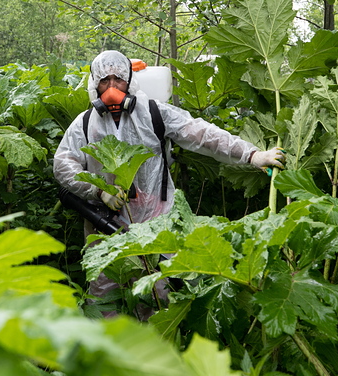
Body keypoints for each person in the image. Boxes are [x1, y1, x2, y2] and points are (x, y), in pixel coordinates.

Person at [54, 50, 285, 310]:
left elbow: (201, 133)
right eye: (104, 81)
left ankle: (157, 346)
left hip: (156, 221)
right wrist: (98, 192)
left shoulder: (153, 113)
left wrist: (252, 154)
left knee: (158, 295)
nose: (111, 88)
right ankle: (109, 349)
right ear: (94, 85)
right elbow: (63, 164)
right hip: (104, 223)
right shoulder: (85, 124)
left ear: (130, 80)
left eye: (118, 79)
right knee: (104, 299)